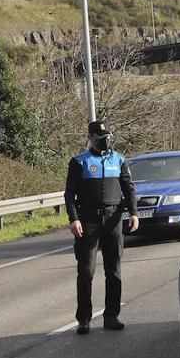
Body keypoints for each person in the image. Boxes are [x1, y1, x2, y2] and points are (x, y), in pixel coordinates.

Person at [64, 120, 138, 335]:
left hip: (113, 219)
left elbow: (129, 189)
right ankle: (84, 319)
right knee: (86, 271)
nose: (104, 142)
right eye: (100, 138)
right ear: (90, 138)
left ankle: (112, 315)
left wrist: (133, 213)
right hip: (88, 220)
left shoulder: (119, 160)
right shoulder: (79, 162)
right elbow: (69, 194)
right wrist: (74, 218)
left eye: (107, 138)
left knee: (113, 270)